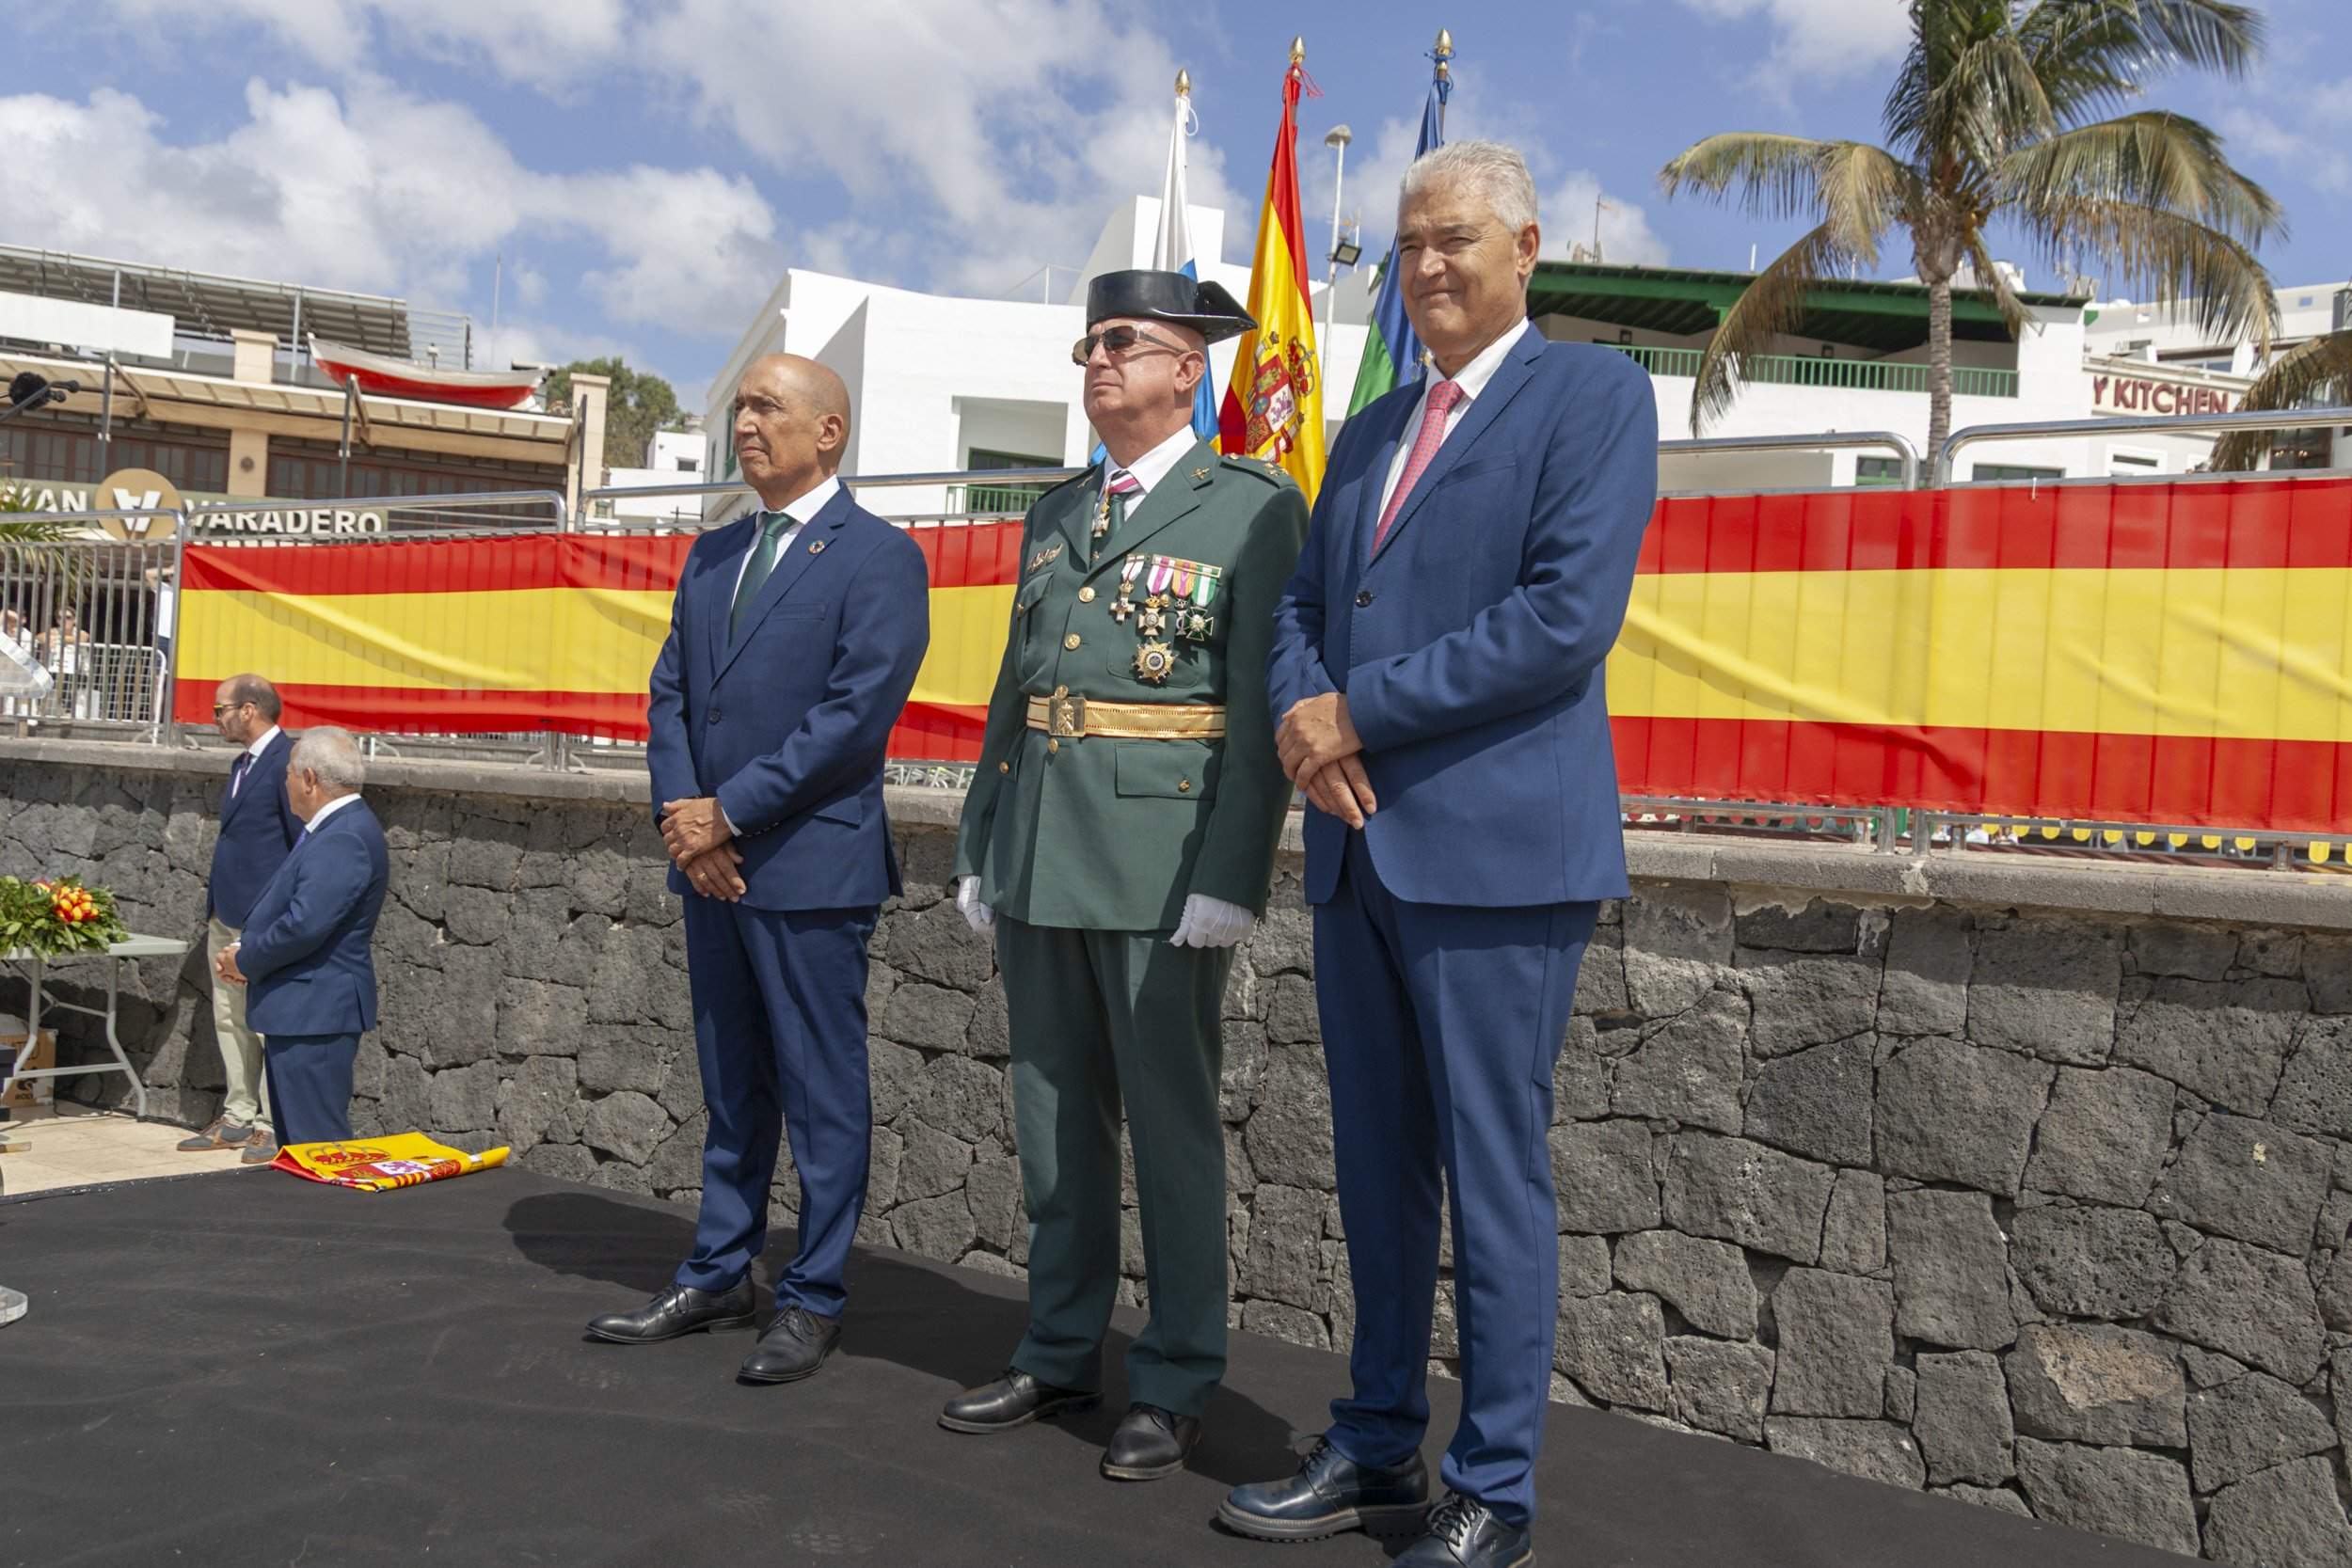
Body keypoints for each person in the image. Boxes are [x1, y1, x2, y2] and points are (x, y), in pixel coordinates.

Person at [1228, 142, 1659, 1566]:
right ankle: (1374, 1442)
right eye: (1409, 244)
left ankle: (1494, 1488)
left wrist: (1359, 707)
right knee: (1375, 1173)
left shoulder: (1591, 397)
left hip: (1498, 859)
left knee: (1494, 1175)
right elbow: (1302, 599)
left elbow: (1561, 619)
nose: (1425, 267)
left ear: (1526, 246)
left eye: (1454, 239)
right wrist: (1302, 714)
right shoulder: (1367, 430)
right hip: (1357, 852)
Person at [940, 270, 1306, 1481]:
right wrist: (986, 834)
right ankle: (1056, 1347)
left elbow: (1255, 707)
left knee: (1171, 1126)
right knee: (1050, 1122)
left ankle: (1179, 1371)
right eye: (1088, 344)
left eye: (1123, 342)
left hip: (1160, 862)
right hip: (1044, 844)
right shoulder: (1056, 512)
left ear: (1186, 367)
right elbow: (1017, 689)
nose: (1096, 361)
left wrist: (1232, 871)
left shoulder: (1246, 503)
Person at [585, 355, 929, 1388]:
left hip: (808, 867)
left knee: (823, 1092)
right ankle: (719, 1267)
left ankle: (813, 1293)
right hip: (712, 867)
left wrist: (726, 811)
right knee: (734, 1085)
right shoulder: (714, 552)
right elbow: (672, 695)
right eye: (739, 405)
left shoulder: (878, 557)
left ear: (829, 431)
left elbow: (853, 715)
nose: (745, 421)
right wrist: (684, 819)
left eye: (767, 406)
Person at [213, 726, 390, 1147]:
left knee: (317, 1144)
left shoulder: (344, 835)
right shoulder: (334, 828)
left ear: (309, 779)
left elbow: (304, 925)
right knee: (300, 1148)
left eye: (289, 772)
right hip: (303, 1010)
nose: (285, 781)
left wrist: (245, 959)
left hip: (315, 1013)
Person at [181, 674, 299, 1164]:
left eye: (220, 710)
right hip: (225, 914)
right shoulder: (241, 764)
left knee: (267, 1019)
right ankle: (238, 1115)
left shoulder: (287, 763)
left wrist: (278, 913)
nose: (216, 719)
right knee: (229, 1017)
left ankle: (273, 1124)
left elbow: (299, 843)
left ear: (248, 709)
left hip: (262, 918)